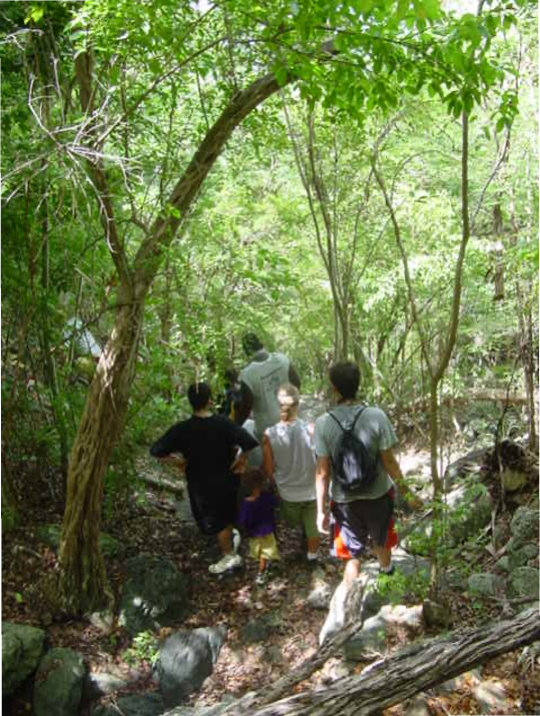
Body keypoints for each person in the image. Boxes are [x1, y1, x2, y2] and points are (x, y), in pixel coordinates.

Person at [314, 361, 421, 591]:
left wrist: (320, 510)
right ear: (357, 384)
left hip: (343, 502)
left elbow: (323, 473)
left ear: (335, 389)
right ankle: (387, 588)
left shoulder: (323, 424)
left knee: (351, 555)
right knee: (382, 541)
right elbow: (389, 462)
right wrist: (407, 493)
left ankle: (349, 600)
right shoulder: (376, 416)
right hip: (378, 495)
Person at [150, 381, 259, 575]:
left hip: (200, 485)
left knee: (216, 522)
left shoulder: (183, 429)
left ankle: (229, 557)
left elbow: (156, 450)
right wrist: (242, 458)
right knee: (224, 518)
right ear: (210, 401)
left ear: (191, 402)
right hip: (226, 480)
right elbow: (249, 442)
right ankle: (230, 542)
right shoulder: (223, 423)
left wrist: (177, 461)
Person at [262, 383, 321, 562]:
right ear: (298, 404)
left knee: (292, 522)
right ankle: (312, 557)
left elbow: (269, 468)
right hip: (310, 489)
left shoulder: (269, 434)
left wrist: (274, 484)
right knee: (312, 526)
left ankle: (293, 546)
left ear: (278, 406)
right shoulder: (311, 430)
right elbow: (321, 460)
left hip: (288, 492)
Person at [234, 332, 301, 440]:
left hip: (267, 430)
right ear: (261, 344)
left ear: (246, 352)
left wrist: (234, 427)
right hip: (289, 419)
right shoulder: (282, 359)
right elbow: (297, 383)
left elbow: (246, 406)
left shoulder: (247, 374)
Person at [237, 468, 280, 586]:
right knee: (265, 552)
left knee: (260, 553)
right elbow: (276, 503)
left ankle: (262, 571)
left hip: (254, 533)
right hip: (267, 531)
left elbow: (242, 521)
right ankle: (264, 570)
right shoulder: (266, 497)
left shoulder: (245, 504)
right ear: (262, 483)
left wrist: (244, 529)